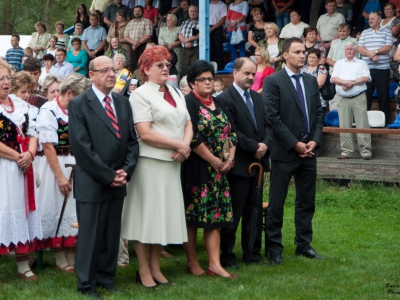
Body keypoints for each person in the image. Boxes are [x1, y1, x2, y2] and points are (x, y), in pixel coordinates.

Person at [121, 46, 192, 287]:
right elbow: (145, 132)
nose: (165, 68)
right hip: (149, 164)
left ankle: (156, 268)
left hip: (173, 163)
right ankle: (142, 270)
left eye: (167, 64)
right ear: (145, 70)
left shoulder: (177, 92)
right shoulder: (140, 94)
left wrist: (185, 145)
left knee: (162, 216)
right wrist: (178, 145)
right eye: (159, 65)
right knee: (146, 217)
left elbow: (188, 123)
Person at [68, 56, 139, 298]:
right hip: (93, 181)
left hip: (118, 181)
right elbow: (81, 147)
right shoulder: (79, 104)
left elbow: (131, 141)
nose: (111, 74)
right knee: (91, 235)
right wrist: (108, 175)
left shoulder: (122, 103)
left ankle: (106, 279)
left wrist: (126, 171)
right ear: (92, 75)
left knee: (111, 233)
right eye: (105, 70)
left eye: (114, 69)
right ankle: (86, 283)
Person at [263, 37, 324, 265]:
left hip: (309, 152)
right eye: (297, 52)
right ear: (285, 55)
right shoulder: (273, 81)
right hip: (284, 152)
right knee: (276, 202)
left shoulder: (310, 81)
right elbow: (273, 118)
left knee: (307, 201)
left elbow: (318, 113)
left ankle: (304, 245)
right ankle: (274, 248)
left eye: (304, 52)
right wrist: (294, 143)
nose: (302, 55)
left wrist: (314, 142)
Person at [181, 60, 237, 278]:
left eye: (210, 79)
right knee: (193, 216)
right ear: (193, 83)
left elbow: (232, 132)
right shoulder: (188, 103)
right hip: (197, 168)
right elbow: (192, 135)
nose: (207, 82)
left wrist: (229, 160)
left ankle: (215, 264)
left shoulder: (220, 103)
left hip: (221, 171)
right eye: (202, 79)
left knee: (216, 217)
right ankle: (193, 263)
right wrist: (213, 160)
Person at [36, 73, 91, 274]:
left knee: (74, 209)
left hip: (77, 164)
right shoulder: (48, 111)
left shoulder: (77, 109)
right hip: (56, 165)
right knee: (57, 204)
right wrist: (59, 176)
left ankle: (74, 254)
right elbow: (48, 146)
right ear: (69, 94)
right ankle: (60, 256)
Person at [219, 57, 270, 268]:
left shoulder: (258, 98)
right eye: (246, 73)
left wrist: (265, 144)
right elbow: (231, 131)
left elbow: (268, 125)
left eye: (253, 74)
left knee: (255, 211)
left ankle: (253, 254)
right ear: (235, 73)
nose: (250, 77)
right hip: (239, 165)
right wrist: (254, 147)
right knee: (234, 213)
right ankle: (228, 257)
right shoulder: (224, 99)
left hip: (258, 166)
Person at [0, 60, 42, 281]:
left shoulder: (22, 105)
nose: (6, 83)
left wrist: (30, 154)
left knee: (21, 209)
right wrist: (18, 156)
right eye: (1, 79)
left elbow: (33, 133)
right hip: (3, 166)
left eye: (7, 78)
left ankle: (23, 265)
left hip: (21, 166)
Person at [331, 43, 372, 160]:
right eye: (347, 49)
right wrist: (345, 82)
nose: (348, 51)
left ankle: (366, 151)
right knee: (344, 124)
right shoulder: (339, 63)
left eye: (351, 49)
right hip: (343, 98)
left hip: (358, 97)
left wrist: (351, 83)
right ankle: (346, 151)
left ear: (355, 51)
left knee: (362, 124)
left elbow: (366, 78)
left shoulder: (361, 63)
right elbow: (334, 78)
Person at [358, 11, 393, 124]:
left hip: (383, 68)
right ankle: (364, 120)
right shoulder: (365, 32)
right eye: (369, 19)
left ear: (379, 20)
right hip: (367, 69)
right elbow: (360, 48)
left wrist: (375, 52)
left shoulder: (386, 32)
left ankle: (385, 121)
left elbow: (388, 47)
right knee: (366, 94)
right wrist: (371, 55)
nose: (370, 20)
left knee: (383, 94)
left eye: (373, 18)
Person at [124, 5, 153, 70]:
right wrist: (133, 43)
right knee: (132, 65)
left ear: (142, 12)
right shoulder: (130, 22)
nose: (137, 12)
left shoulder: (147, 21)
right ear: (133, 12)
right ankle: (132, 79)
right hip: (132, 46)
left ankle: (142, 80)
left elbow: (148, 35)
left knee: (143, 65)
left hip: (143, 46)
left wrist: (138, 43)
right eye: (135, 11)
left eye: (139, 11)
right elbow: (125, 36)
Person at [178, 5, 200, 77]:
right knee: (184, 70)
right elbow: (180, 34)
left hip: (195, 49)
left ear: (197, 12)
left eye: (194, 11)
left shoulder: (201, 22)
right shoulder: (185, 22)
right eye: (191, 11)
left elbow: (200, 35)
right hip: (185, 50)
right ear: (188, 12)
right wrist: (185, 41)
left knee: (195, 69)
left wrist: (188, 39)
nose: (192, 13)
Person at [381, 3, 400, 80]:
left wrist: (380, 32)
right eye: (385, 9)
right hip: (381, 45)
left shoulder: (396, 20)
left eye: (388, 9)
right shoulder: (381, 20)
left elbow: (394, 32)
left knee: (392, 65)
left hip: (392, 46)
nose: (386, 11)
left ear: (393, 11)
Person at [210, 0, 228, 71]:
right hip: (208, 28)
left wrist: (213, 27)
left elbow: (223, 19)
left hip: (218, 28)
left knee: (219, 50)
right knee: (211, 50)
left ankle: (220, 70)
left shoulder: (223, 5)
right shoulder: (209, 5)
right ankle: (211, 69)